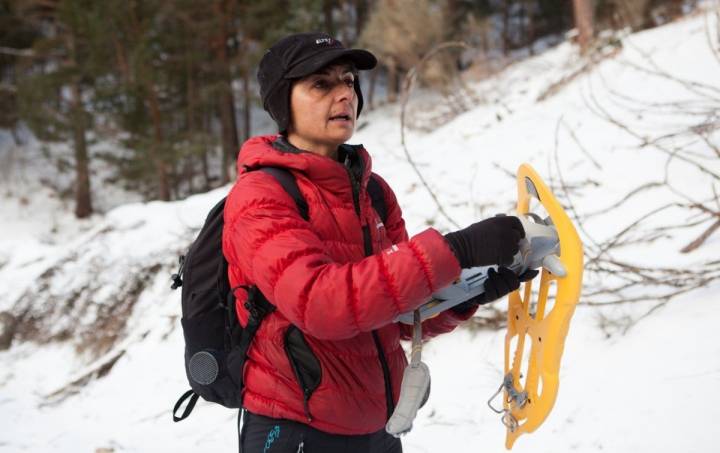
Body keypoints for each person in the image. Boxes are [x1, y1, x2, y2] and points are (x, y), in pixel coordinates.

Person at [222, 32, 534, 453]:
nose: (344, 94)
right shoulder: (260, 195)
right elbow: (322, 304)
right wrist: (456, 250)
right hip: (295, 430)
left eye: (349, 81)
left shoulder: (372, 192)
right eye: (321, 84)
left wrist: (467, 290)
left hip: (378, 429)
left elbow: (400, 315)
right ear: (283, 102)